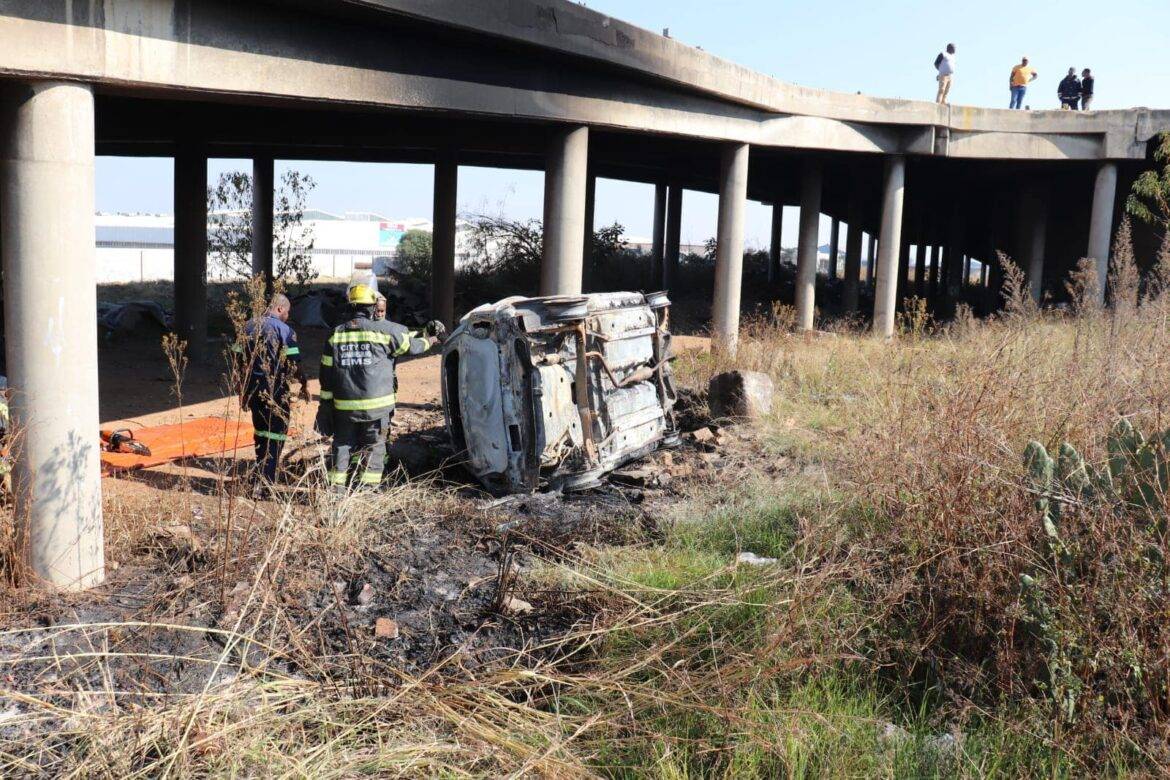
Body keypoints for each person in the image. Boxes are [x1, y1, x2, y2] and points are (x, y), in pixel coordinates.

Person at [316, 284, 441, 490]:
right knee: (374, 448)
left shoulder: (335, 335)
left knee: (343, 446)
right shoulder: (387, 331)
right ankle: (366, 493)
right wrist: (431, 338)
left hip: (344, 408)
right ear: (372, 307)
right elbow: (413, 346)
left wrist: (325, 406)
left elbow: (325, 375)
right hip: (376, 409)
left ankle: (336, 492)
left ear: (350, 306)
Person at [234, 294, 310, 489]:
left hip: (252, 389)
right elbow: (294, 361)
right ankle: (267, 480)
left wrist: (241, 389)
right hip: (275, 389)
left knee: (260, 432)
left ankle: (261, 471)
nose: (287, 316)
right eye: (287, 312)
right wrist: (304, 383)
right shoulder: (284, 330)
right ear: (279, 309)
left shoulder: (247, 326)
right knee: (277, 432)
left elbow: (237, 359)